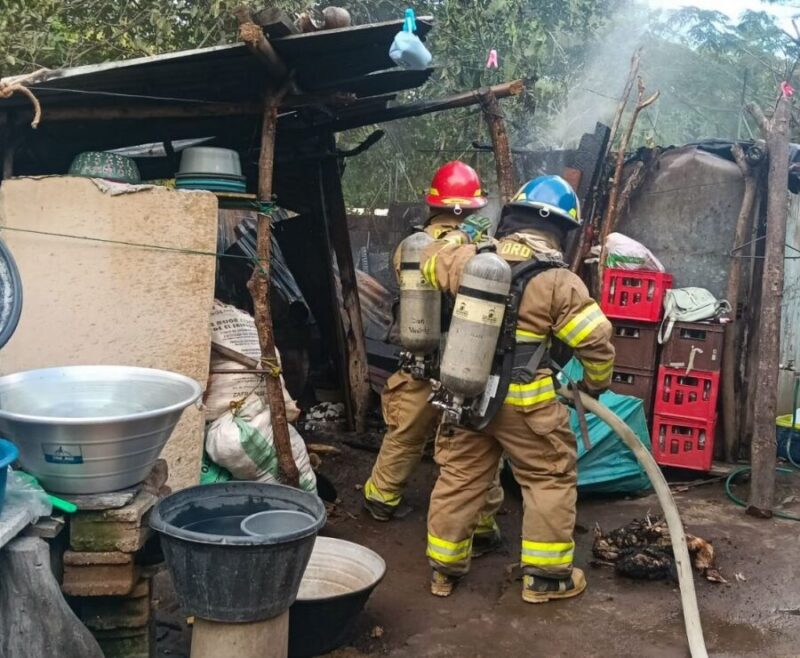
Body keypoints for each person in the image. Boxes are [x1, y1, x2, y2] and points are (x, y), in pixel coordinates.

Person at [420, 175, 616, 602]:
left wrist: (462, 236)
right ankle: (545, 579)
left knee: (460, 478)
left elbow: (430, 262)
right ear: (561, 229)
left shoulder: (473, 259)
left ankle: (443, 571)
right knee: (549, 478)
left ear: (513, 216)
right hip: (529, 405)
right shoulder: (558, 281)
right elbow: (596, 341)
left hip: (468, 395)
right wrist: (594, 384)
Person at [363, 161, 503, 556]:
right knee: (474, 447)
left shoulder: (413, 246)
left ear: (433, 204)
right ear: (473, 208)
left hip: (419, 358)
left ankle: (381, 499)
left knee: (405, 434)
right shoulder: (482, 249)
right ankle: (482, 525)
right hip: (466, 360)